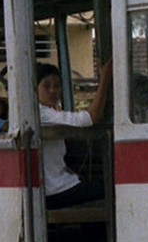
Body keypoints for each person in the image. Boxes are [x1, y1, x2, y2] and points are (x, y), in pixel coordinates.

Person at [37, 60, 112, 208]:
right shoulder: (40, 113)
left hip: (60, 183)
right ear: (35, 89)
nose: (52, 91)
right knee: (110, 190)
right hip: (55, 190)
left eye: (57, 86)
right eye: (46, 86)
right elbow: (91, 117)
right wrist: (105, 79)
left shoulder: (50, 112)